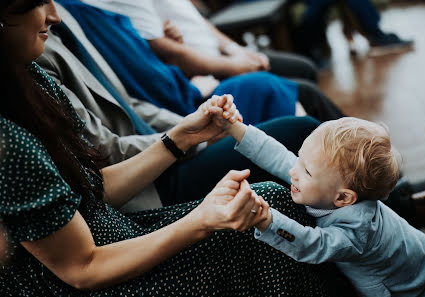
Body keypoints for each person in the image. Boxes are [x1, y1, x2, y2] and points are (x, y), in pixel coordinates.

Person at [0, 0, 357, 295]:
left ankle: (377, 245)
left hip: (119, 231)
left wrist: (180, 138)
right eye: (38, 3)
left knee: (271, 200)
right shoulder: (7, 139)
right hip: (99, 274)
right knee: (265, 211)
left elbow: (93, 189)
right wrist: (201, 220)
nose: (55, 14)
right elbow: (82, 267)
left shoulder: (28, 76)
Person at [207, 107, 425, 296]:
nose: (293, 171)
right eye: (299, 158)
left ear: (343, 198)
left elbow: (312, 245)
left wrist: (267, 220)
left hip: (420, 286)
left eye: (306, 171)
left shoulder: (356, 232)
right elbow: (278, 156)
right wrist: (233, 127)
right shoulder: (320, 181)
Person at [81, 0, 319, 82]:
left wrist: (235, 49)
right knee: (303, 82)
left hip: (219, 55)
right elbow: (169, 53)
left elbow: (198, 20)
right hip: (205, 74)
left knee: (303, 68)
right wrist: (237, 67)